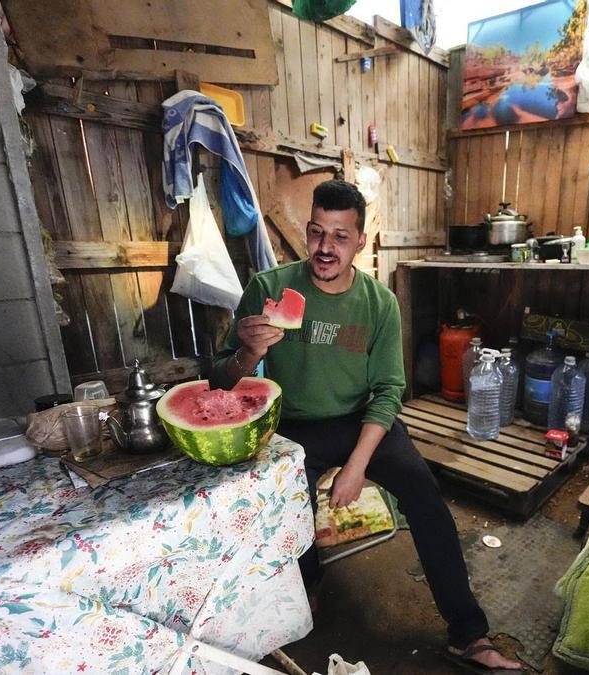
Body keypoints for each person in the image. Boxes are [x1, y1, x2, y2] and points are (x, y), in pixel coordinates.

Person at [212, 180, 523, 672]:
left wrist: (356, 467)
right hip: (294, 424)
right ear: (307, 231)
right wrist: (248, 354)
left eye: (340, 236)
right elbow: (219, 381)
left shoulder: (380, 303)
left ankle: (468, 634)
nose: (325, 247)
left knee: (426, 498)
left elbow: (388, 392)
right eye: (317, 232)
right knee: (289, 506)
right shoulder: (268, 289)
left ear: (360, 241)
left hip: (365, 423)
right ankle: (307, 588)